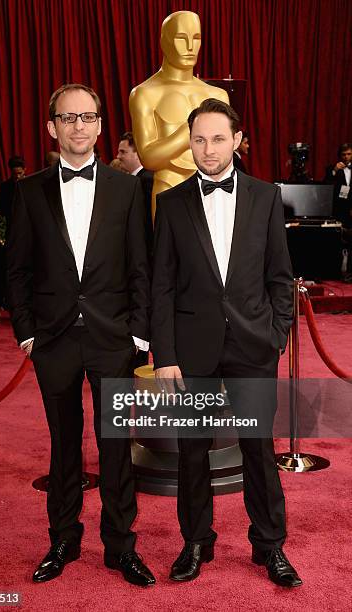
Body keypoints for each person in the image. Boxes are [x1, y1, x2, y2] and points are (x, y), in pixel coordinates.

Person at [7, 83, 154, 586]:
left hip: (113, 339)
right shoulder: (28, 191)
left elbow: (141, 265)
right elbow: (16, 271)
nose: (78, 127)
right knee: (63, 444)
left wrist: (138, 332)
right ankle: (63, 538)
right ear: (52, 127)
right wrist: (27, 333)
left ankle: (120, 545)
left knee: (115, 444)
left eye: (87, 117)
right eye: (67, 118)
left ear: (99, 125)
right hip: (54, 341)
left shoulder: (127, 188)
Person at [151, 99, 302, 587]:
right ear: (189, 142)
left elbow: (280, 276)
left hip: (253, 345)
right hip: (192, 350)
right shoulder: (171, 203)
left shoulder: (264, 196)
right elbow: (162, 286)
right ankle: (196, 542)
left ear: (237, 140)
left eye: (218, 139)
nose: (208, 149)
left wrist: (275, 333)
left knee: (258, 448)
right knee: (192, 451)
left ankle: (270, 545)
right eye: (198, 139)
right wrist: (166, 355)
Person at [129, 10, 229, 217]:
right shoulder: (145, 93)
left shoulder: (218, 95)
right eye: (181, 38)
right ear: (164, 40)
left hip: (214, 191)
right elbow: (148, 157)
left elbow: (226, 152)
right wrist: (187, 133)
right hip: (168, 188)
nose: (191, 47)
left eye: (197, 38)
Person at [323, 142, 352, 227]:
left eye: (349, 154)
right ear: (340, 155)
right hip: (339, 207)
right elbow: (326, 185)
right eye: (344, 154)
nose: (346, 157)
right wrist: (334, 171)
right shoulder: (331, 168)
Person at [0, 155, 26, 233]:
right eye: (14, 174)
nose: (17, 176)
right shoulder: (4, 187)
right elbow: (1, 207)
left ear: (25, 170)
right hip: (11, 224)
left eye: (20, 173)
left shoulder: (31, 184)